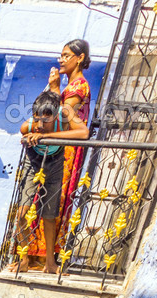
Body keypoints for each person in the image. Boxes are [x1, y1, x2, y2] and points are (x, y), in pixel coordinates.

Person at [7, 90, 89, 274]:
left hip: (55, 162)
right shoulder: (28, 126)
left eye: (46, 120)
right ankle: (24, 259)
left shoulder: (65, 112)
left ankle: (50, 263)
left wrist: (47, 137)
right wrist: (35, 135)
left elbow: (83, 133)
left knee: (49, 215)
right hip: (33, 160)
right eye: (37, 119)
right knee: (22, 213)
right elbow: (22, 130)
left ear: (56, 113)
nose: (40, 125)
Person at [49, 39, 93, 255]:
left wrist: (56, 90)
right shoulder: (71, 86)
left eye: (66, 55)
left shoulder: (77, 86)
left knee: (55, 199)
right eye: (61, 55)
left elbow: (63, 117)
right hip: (62, 150)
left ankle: (46, 255)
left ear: (80, 58)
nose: (61, 60)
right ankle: (38, 255)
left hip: (66, 152)